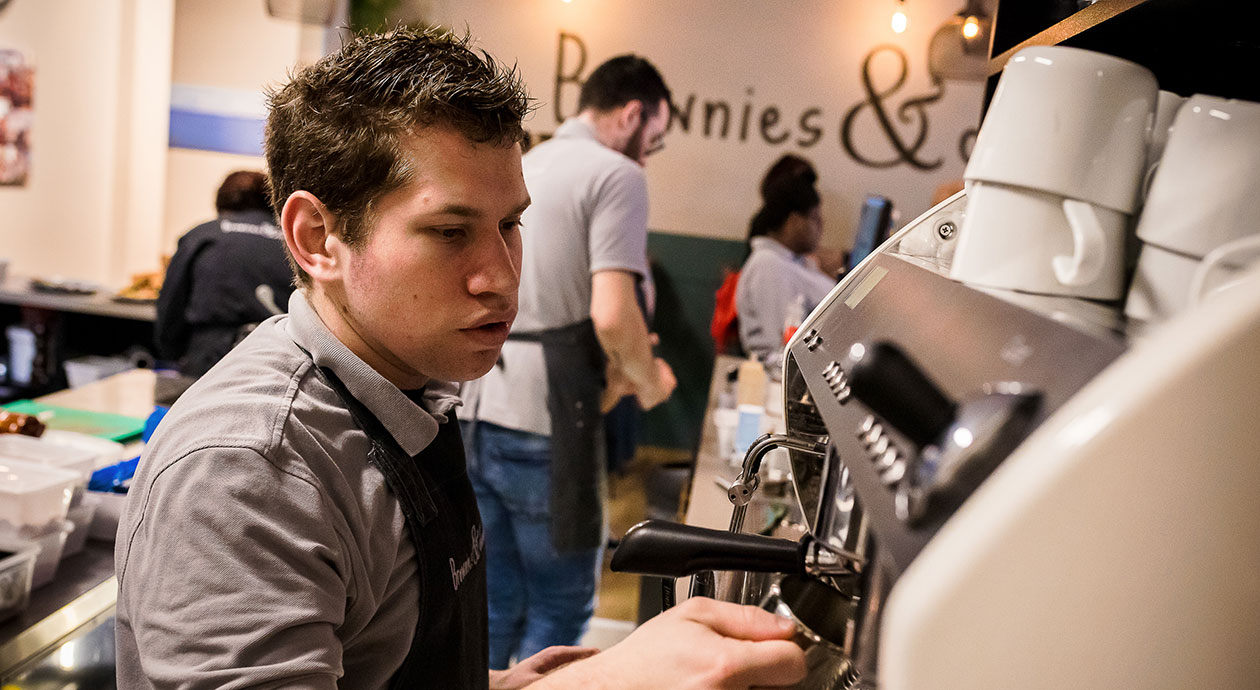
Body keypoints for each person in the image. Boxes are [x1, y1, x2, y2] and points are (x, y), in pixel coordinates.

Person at [114, 27, 804, 690]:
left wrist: (496, 680)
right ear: (318, 238)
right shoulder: (248, 474)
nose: (503, 277)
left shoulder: (408, 386)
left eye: (510, 225)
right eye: (450, 231)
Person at [459, 53, 679, 669]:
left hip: (478, 409)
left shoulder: (530, 161)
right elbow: (613, 314)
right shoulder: (617, 175)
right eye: (652, 140)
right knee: (559, 611)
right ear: (632, 114)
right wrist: (649, 379)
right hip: (552, 422)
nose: (646, 156)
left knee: (495, 606)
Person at [154, 170, 295, 377]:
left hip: (209, 359)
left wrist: (171, 353)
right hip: (278, 360)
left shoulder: (201, 236)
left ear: (220, 204)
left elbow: (170, 306)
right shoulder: (293, 242)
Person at [735, 156, 836, 368]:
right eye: (815, 218)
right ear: (794, 221)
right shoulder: (769, 266)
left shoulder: (791, 261)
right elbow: (783, 342)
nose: (821, 226)